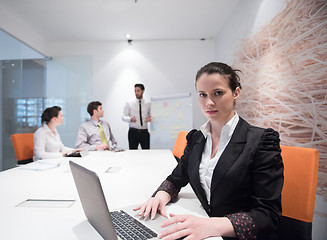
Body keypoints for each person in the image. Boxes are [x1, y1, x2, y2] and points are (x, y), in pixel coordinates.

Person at [134, 62, 284, 240]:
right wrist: (159, 197)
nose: (209, 102)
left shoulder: (261, 141)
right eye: (202, 95)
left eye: (218, 93)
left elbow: (268, 214)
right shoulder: (197, 138)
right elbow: (176, 179)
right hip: (204, 230)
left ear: (236, 93)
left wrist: (213, 225)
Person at [122, 83, 151, 149]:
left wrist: (150, 118)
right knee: (133, 153)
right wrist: (130, 119)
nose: (136, 93)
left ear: (143, 91)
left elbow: (151, 116)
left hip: (144, 132)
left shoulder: (148, 104)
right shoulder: (129, 103)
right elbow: (123, 117)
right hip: (133, 132)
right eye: (135, 91)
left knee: (147, 153)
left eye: (138, 91)